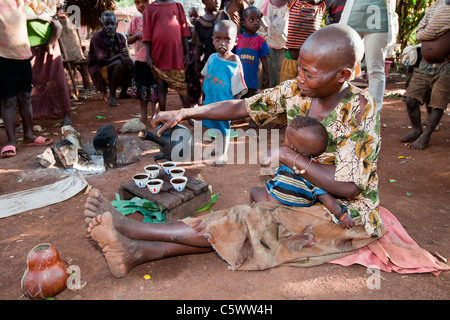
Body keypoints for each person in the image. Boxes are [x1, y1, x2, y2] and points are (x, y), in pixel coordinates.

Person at [84, 24, 382, 278]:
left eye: (310, 73)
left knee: (249, 220)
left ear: (343, 75)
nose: (300, 77)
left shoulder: (360, 109)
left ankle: (133, 229)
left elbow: (350, 185)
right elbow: (241, 106)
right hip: (296, 196)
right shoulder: (298, 90)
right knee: (251, 224)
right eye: (299, 67)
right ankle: (136, 251)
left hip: (341, 213)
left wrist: (291, 157)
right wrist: (186, 113)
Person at [250, 115, 355, 228]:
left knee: (254, 191)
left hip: (275, 206)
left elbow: (278, 174)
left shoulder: (286, 163)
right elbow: (324, 196)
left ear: (293, 148)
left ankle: (257, 214)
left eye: (285, 138)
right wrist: (341, 215)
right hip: (299, 212)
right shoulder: (316, 172)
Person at [1, 0, 53, 158]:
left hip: (23, 55)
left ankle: (29, 135)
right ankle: (11, 141)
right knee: (8, 101)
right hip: (2, 57)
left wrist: (43, 11)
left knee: (25, 97)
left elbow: (41, 10)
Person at [400, 0, 450, 150]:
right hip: (424, 65)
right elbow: (421, 30)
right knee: (410, 99)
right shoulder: (436, 6)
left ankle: (426, 135)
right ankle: (417, 129)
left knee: (438, 103)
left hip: (446, 67)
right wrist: (427, 33)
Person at [201, 20, 247, 166]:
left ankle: (223, 154)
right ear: (212, 39)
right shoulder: (212, 57)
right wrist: (205, 92)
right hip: (210, 101)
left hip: (224, 103)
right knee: (212, 125)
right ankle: (217, 146)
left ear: (235, 41)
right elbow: (205, 75)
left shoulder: (235, 62)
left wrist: (234, 107)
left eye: (227, 39)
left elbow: (239, 86)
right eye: (218, 39)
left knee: (223, 128)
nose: (222, 43)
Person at [339, 0, 399, 111]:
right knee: (344, 65)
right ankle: (341, 107)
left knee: (376, 68)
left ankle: (374, 113)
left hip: (379, 18)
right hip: (354, 15)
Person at [26, 0, 72, 126]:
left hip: (48, 48)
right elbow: (17, 18)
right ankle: (30, 117)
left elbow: (58, 26)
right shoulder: (20, 9)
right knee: (30, 84)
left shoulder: (40, 7)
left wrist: (50, 43)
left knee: (57, 80)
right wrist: (38, 17)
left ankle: (65, 114)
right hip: (29, 50)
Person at [143, 0, 191, 112]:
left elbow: (184, 31)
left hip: (176, 55)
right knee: (161, 88)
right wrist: (148, 55)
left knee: (181, 86)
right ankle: (163, 115)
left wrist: (187, 53)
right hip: (158, 56)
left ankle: (189, 115)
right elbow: (147, 34)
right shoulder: (150, 9)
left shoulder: (178, 7)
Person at [87, 11, 134, 107]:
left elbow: (124, 55)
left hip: (114, 65)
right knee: (119, 64)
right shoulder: (97, 38)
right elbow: (102, 61)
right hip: (100, 68)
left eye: (112, 24)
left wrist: (125, 55)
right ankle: (112, 95)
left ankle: (123, 92)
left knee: (131, 63)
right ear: (102, 25)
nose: (110, 26)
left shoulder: (120, 37)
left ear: (116, 25)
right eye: (106, 24)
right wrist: (120, 56)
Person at [127, 0, 159, 125]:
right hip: (140, 61)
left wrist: (145, 35)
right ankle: (143, 115)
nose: (141, 5)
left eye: (144, 1)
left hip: (153, 61)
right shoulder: (135, 20)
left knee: (154, 89)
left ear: (151, 2)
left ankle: (154, 115)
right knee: (141, 89)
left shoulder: (155, 19)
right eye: (137, 2)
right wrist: (138, 35)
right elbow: (129, 40)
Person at [280, 0, 326, 82]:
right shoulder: (294, 2)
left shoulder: (321, 6)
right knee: (286, 90)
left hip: (309, 65)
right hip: (291, 61)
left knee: (305, 92)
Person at [236, 6, 269, 98]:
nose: (255, 23)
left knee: (250, 104)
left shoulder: (261, 41)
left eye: (258, 20)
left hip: (252, 81)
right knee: (237, 104)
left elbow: (264, 59)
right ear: (243, 23)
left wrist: (266, 74)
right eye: (251, 20)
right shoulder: (237, 39)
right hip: (237, 81)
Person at [192, 0, 230, 76]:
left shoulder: (224, 15)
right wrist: (197, 62)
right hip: (209, 62)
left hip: (224, 61)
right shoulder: (200, 22)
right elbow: (198, 44)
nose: (217, 1)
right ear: (204, 1)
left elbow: (231, 36)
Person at [258, 0, 289, 88]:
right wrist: (265, 27)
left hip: (284, 44)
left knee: (279, 73)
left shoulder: (289, 4)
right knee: (268, 71)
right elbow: (258, 16)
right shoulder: (268, 3)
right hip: (269, 43)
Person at [185, 6, 203, 107]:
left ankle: (197, 99)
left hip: (199, 59)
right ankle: (191, 100)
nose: (193, 18)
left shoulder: (202, 29)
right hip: (189, 60)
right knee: (189, 80)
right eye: (191, 16)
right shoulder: (187, 30)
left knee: (198, 80)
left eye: (196, 16)